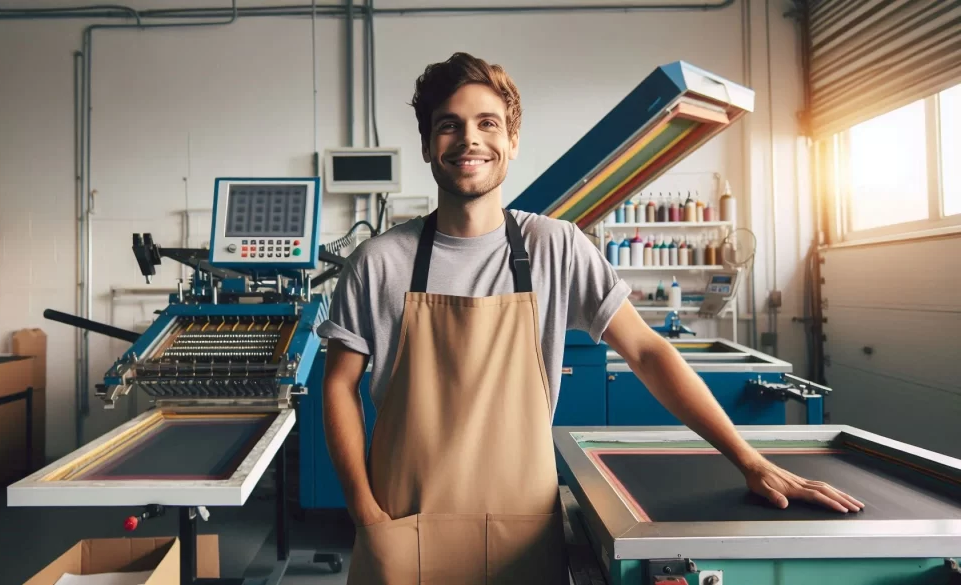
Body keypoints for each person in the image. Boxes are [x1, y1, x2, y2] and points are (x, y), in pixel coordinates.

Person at [317, 52, 863, 584]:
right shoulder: (381, 261)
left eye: (488, 122)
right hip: (402, 528)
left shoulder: (556, 248)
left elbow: (648, 352)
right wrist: (365, 512)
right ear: (426, 143)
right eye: (448, 125)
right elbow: (338, 386)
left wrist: (748, 458)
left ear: (511, 140)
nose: (469, 139)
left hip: (521, 535)